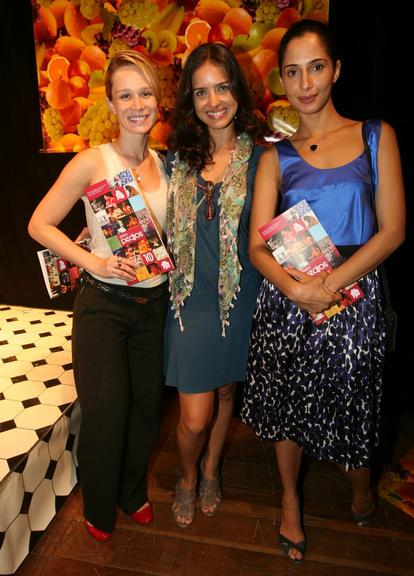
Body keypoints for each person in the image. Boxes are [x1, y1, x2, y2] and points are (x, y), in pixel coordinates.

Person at [241, 19, 405, 563]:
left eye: (315, 67)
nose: (305, 83)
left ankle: (361, 485)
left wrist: (331, 284)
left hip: (353, 297)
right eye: (292, 72)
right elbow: (257, 246)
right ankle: (290, 500)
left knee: (355, 401)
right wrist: (297, 290)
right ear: (282, 81)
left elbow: (393, 231)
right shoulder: (275, 155)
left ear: (336, 70)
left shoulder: (375, 135)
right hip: (289, 298)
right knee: (288, 404)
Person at [28, 50, 169, 542]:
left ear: (158, 99)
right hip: (103, 306)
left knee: (146, 410)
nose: (137, 104)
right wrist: (94, 261)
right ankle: (100, 503)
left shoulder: (164, 164)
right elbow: (39, 224)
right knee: (107, 412)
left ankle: (132, 492)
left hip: (154, 307)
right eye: (125, 95)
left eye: (145, 93)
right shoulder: (93, 161)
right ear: (110, 104)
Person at [165, 43, 264, 528]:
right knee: (193, 417)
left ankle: (209, 472)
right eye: (201, 92)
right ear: (190, 99)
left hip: (239, 298)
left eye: (222, 88)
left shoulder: (262, 160)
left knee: (226, 393)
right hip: (189, 301)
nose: (213, 101)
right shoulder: (174, 161)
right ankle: (186, 475)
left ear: (238, 92)